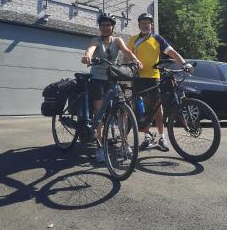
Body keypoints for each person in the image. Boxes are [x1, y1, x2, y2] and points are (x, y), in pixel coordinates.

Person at [81, 12, 142, 162]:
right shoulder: (96, 40)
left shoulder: (117, 40)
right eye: (102, 25)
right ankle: (100, 146)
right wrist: (87, 56)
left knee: (123, 112)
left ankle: (125, 144)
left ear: (113, 27)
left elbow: (127, 52)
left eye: (108, 25)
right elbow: (90, 49)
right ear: (100, 27)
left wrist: (136, 60)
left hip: (113, 79)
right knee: (99, 113)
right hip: (98, 79)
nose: (105, 27)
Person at [128, 12, 192, 152]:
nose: (145, 25)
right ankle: (147, 137)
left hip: (153, 77)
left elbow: (172, 52)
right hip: (138, 77)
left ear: (151, 25)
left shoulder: (157, 39)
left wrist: (184, 63)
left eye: (148, 23)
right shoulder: (133, 40)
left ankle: (162, 137)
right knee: (142, 108)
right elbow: (128, 57)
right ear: (139, 25)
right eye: (142, 23)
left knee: (157, 106)